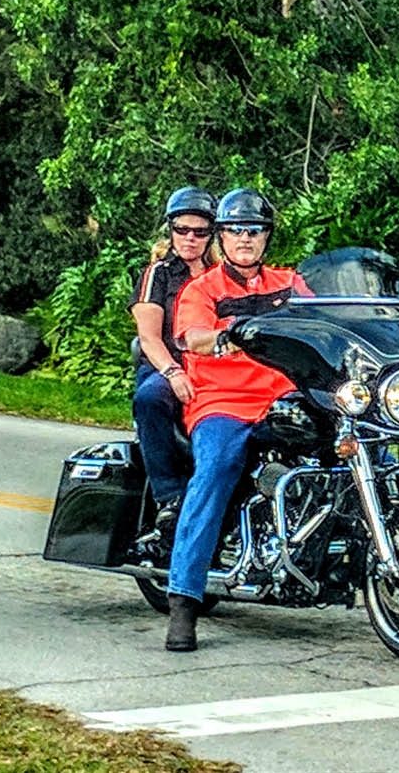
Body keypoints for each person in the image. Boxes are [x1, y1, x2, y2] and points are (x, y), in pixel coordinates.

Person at [163, 187, 309, 652]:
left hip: (286, 396)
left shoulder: (290, 283)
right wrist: (222, 338)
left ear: (267, 237)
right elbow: (192, 335)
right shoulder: (201, 289)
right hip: (221, 400)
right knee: (218, 467)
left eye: (255, 230)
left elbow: (328, 315)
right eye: (235, 231)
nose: (245, 239)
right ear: (221, 237)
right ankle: (184, 600)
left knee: (354, 439)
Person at [129, 186, 217, 534]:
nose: (190, 238)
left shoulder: (221, 275)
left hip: (215, 368)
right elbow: (148, 338)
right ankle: (169, 497)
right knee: (150, 398)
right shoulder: (158, 273)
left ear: (212, 234)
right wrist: (173, 372)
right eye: (182, 229)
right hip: (167, 363)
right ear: (170, 230)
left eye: (200, 232)